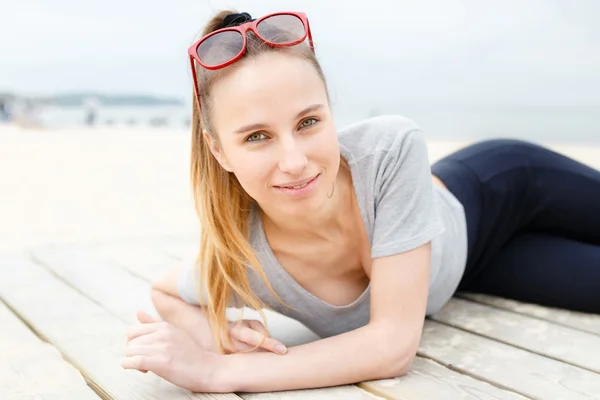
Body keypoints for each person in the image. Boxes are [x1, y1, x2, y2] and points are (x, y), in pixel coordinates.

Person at [121, 9, 600, 393]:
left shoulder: (390, 149)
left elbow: (392, 346)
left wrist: (215, 370)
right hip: (474, 268)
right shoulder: (241, 260)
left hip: (504, 190)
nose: (294, 161)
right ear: (218, 150)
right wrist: (219, 336)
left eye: (309, 122)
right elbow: (165, 292)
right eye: (258, 137)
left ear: (330, 110)